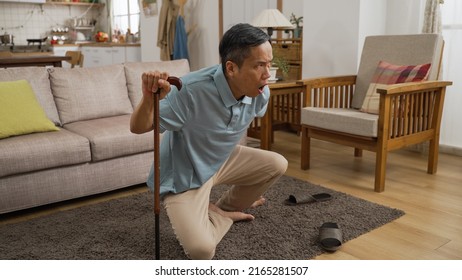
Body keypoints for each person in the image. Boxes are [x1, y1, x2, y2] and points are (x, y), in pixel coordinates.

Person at [130, 23, 288, 260]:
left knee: (277, 164)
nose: (268, 73)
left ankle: (223, 208)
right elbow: (138, 127)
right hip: (184, 173)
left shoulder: (261, 90)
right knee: (201, 251)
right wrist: (147, 99)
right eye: (259, 66)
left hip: (220, 159)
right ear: (231, 68)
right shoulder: (189, 91)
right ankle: (222, 216)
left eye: (269, 63)